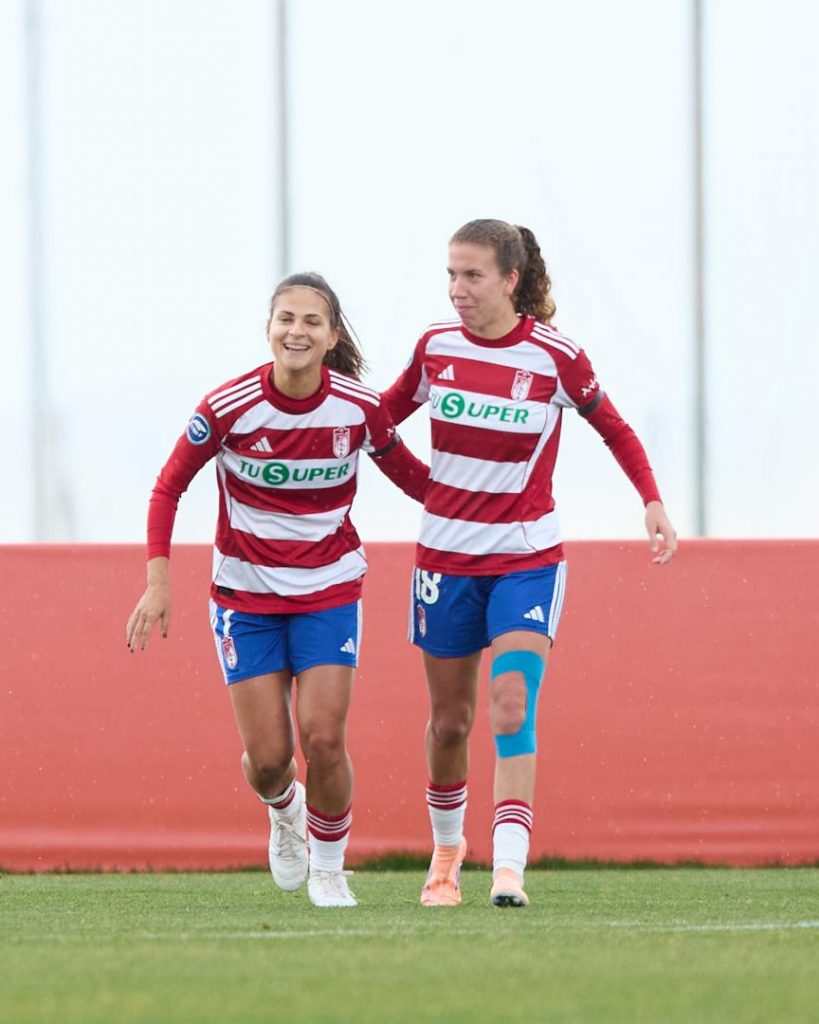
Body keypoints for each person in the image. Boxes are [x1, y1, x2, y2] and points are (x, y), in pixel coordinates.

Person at [383, 219, 677, 909]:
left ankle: (508, 867)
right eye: (450, 274)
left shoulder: (554, 357)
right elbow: (377, 425)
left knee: (510, 703)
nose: (457, 289)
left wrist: (652, 500)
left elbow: (613, 427)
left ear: (509, 281)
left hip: (525, 560)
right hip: (444, 561)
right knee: (449, 722)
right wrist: (423, 486)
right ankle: (446, 853)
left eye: (472, 275)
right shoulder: (434, 348)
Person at [126, 272, 428, 908]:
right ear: (268, 329)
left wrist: (487, 501)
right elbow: (167, 487)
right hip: (246, 599)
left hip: (329, 591)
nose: (297, 331)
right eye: (286, 319)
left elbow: (415, 480)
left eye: (311, 321)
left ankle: (329, 868)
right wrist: (159, 583)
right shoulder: (227, 406)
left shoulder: (359, 408)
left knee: (323, 738)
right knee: (269, 760)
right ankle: (285, 811)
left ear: (331, 335)